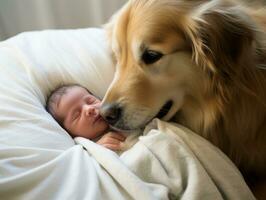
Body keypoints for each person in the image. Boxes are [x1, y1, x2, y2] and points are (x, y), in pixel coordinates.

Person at [46, 84, 131, 151]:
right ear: (69, 133)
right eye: (77, 115)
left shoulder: (119, 113)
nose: (89, 108)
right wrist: (96, 149)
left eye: (91, 101)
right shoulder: (83, 147)